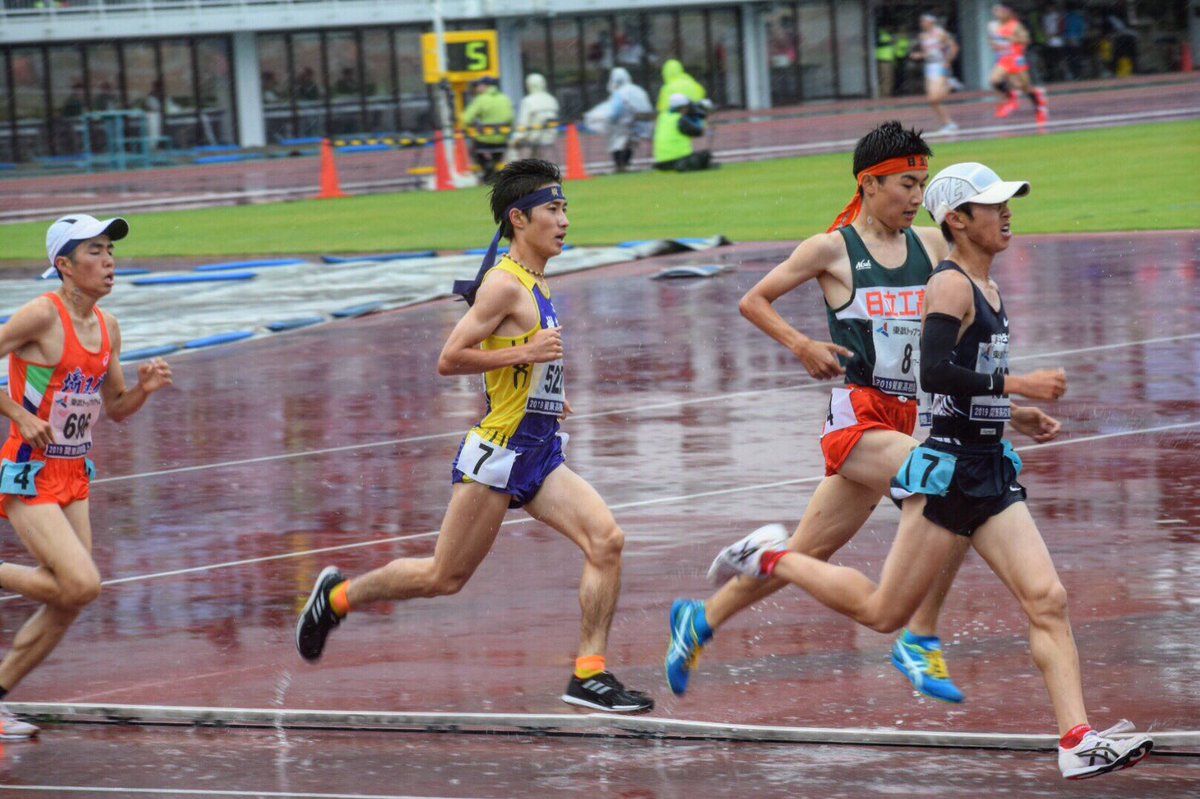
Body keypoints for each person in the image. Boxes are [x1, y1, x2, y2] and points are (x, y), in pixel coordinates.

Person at [708, 162, 1154, 780]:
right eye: (992, 206)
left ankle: (1076, 738)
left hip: (990, 468)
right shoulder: (949, 285)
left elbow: (962, 386)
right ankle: (770, 558)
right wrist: (1016, 382)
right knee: (884, 614)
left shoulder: (988, 285)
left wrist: (1012, 413)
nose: (1007, 214)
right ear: (957, 221)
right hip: (947, 473)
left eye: (1007, 202)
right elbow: (935, 375)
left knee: (1047, 599)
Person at [296, 159, 654, 715]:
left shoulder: (535, 278)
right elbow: (449, 358)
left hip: (539, 450)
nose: (563, 221)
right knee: (444, 577)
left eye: (565, 210)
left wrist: (546, 393)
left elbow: (505, 368)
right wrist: (529, 354)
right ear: (519, 219)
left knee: (606, 541)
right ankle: (337, 598)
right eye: (552, 211)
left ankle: (589, 674)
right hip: (498, 455)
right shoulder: (503, 286)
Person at [666, 121, 964, 704]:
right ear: (870, 183)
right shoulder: (831, 248)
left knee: (808, 553)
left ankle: (700, 619)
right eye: (907, 182)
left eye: (923, 184)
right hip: (856, 418)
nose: (916, 196)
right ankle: (920, 637)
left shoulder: (929, 246)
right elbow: (753, 300)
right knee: (947, 485)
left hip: (902, 416)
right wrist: (802, 344)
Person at [0, 214, 173, 740]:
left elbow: (115, 407)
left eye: (110, 251)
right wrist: (19, 414)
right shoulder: (40, 315)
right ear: (65, 266)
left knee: (71, 601)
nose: (109, 261)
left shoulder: (109, 327)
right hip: (28, 470)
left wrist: (143, 390)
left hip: (74, 472)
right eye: (95, 252)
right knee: (81, 583)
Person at [988, 4, 1049, 124]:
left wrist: (1012, 39)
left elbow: (1026, 39)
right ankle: (1011, 98)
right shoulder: (996, 27)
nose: (997, 14)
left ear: (1007, 13)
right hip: (1004, 59)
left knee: (1025, 87)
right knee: (994, 80)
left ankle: (1039, 106)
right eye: (996, 12)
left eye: (1000, 11)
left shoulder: (1015, 25)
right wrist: (995, 46)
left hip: (1016, 58)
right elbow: (994, 43)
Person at [911, 14, 960, 135]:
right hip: (930, 67)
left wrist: (948, 61)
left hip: (940, 65)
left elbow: (954, 47)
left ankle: (950, 85)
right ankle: (949, 124)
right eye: (922, 22)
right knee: (932, 101)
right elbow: (929, 52)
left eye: (925, 21)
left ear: (931, 22)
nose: (922, 24)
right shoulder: (923, 36)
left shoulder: (941, 33)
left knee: (935, 98)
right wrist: (920, 55)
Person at [598, 67, 653, 173]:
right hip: (644, 125)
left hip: (629, 127)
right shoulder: (638, 90)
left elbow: (615, 113)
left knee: (614, 134)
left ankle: (620, 163)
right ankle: (625, 162)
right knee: (627, 137)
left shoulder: (620, 93)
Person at [461, 76, 515, 183]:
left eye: (478, 86)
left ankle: (488, 169)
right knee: (496, 153)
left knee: (473, 149)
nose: (476, 88)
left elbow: (466, 119)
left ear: (483, 86)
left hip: (484, 140)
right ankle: (492, 168)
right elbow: (511, 119)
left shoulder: (480, 99)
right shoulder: (505, 98)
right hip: (502, 140)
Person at [652, 93, 714, 173]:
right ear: (684, 108)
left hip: (661, 162)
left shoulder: (662, 117)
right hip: (680, 160)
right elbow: (698, 132)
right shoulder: (680, 119)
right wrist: (699, 118)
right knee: (705, 155)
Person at [508, 73, 560, 161]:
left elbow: (523, 124)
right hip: (550, 137)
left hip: (533, 136)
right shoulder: (552, 99)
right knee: (535, 152)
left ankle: (515, 170)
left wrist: (517, 137)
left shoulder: (528, 101)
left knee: (512, 144)